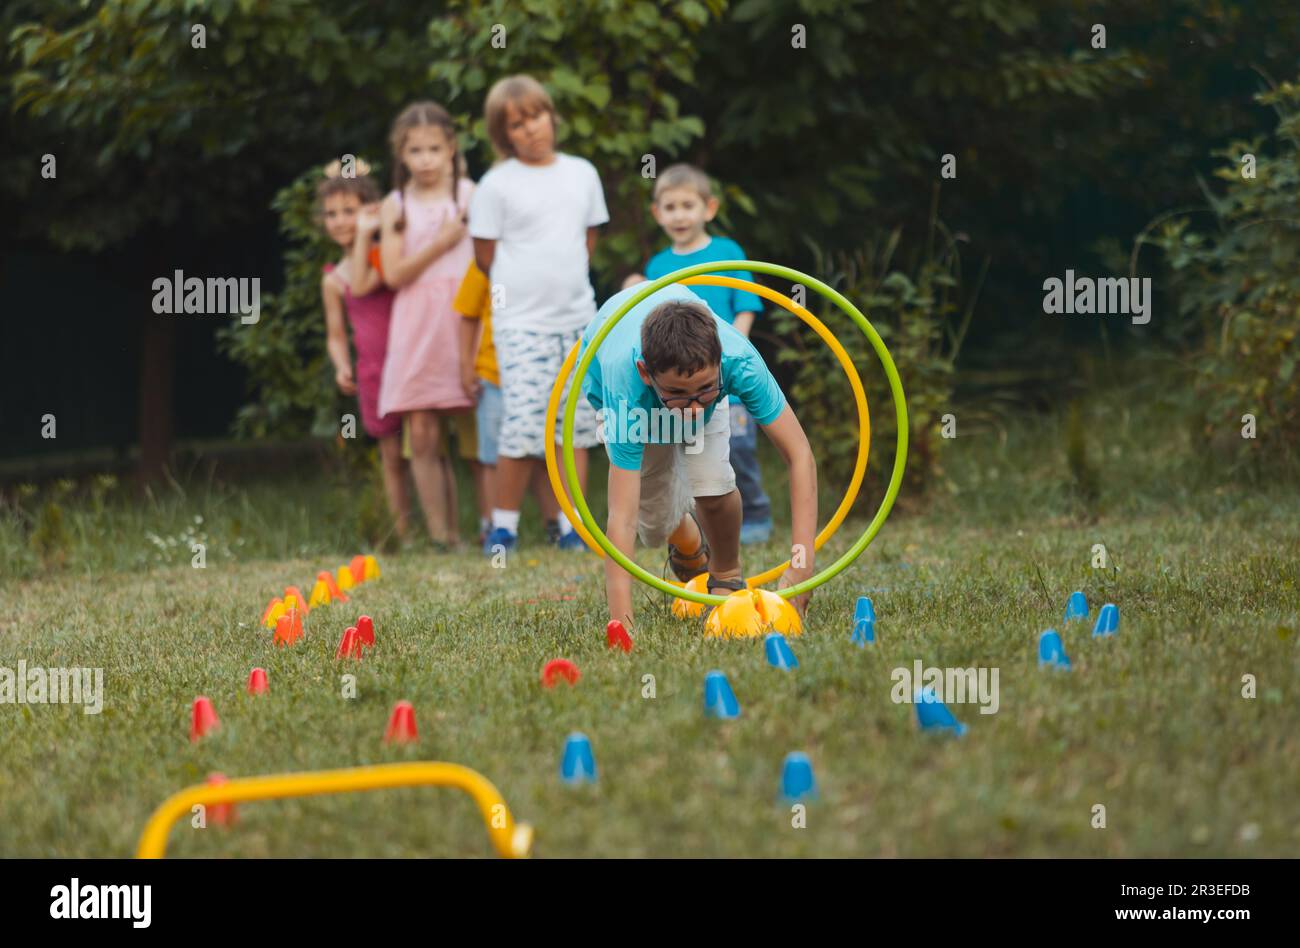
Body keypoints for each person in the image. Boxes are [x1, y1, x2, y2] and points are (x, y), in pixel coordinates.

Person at [578, 282, 818, 631]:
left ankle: (726, 574)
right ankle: (688, 543)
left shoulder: (739, 361)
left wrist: (801, 567)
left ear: (719, 362)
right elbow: (622, 517)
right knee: (653, 524)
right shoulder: (625, 383)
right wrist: (621, 623)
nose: (692, 410)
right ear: (647, 372)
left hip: (682, 382)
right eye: (679, 394)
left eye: (704, 390)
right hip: (635, 403)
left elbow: (799, 455)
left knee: (715, 485)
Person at [468, 74, 608, 555]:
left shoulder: (582, 173)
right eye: (517, 123)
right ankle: (502, 528)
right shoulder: (495, 184)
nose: (531, 129)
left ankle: (575, 528)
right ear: (503, 134)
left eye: (537, 115)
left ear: (552, 115)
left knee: (577, 426)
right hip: (521, 325)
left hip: (576, 321)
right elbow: (484, 256)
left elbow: (587, 243)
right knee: (524, 426)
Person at [641, 163, 774, 543]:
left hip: (727, 374)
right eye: (670, 207)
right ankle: (700, 525)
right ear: (657, 213)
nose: (679, 214)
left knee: (741, 449)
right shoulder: (658, 265)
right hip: (683, 385)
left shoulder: (727, 252)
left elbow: (747, 304)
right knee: (689, 454)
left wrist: (735, 354)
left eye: (688, 205)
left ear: (709, 209)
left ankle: (756, 516)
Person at [377, 101, 481, 549]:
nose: (425, 160)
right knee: (422, 429)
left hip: (466, 318)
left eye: (433, 149)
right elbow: (394, 273)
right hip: (417, 324)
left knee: (478, 430)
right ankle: (443, 536)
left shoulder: (471, 195)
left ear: (451, 148)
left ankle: (494, 531)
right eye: (414, 150)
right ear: (400, 155)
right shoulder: (394, 204)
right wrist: (440, 243)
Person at [318, 161, 409, 540]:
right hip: (373, 373)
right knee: (390, 454)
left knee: (426, 447)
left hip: (409, 361)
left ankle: (447, 530)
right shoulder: (334, 279)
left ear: (369, 210)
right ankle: (404, 533)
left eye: (349, 211)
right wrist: (341, 366)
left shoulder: (385, 254)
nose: (339, 221)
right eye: (331, 214)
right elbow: (336, 333)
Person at [454, 260, 567, 546]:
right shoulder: (485, 262)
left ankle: (557, 528)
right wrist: (466, 365)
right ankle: (493, 527)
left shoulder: (546, 258)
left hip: (541, 376)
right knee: (493, 457)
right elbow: (467, 314)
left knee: (546, 456)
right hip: (494, 377)